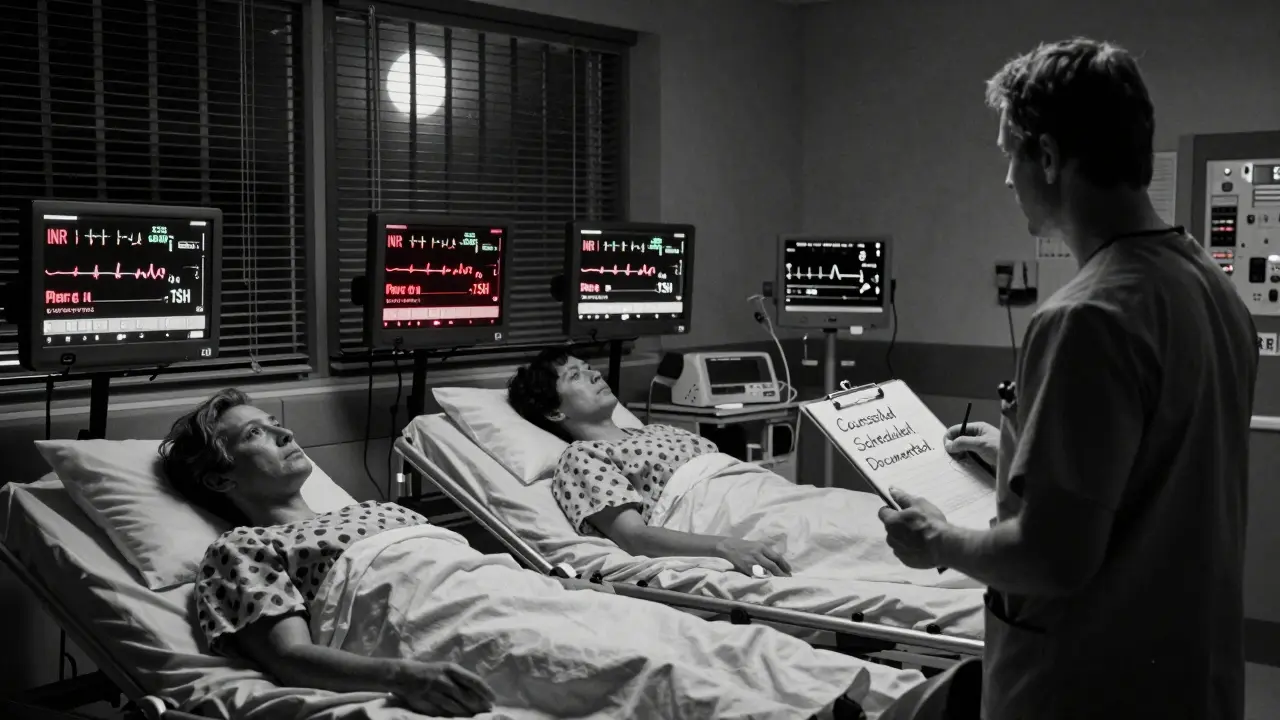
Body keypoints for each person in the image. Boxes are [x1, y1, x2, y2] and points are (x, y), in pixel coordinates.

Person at [876, 38, 1257, 720]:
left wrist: (937, 541)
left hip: (1089, 684)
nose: (1007, 179)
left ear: (1048, 157)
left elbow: (1053, 560)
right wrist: (1019, 453)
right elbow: (1159, 471)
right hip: (1189, 671)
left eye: (1010, 155)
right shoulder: (1208, 286)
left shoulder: (1087, 317)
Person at [161, 388, 904, 719]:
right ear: (220, 477)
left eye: (275, 423)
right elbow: (291, 659)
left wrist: (575, 590)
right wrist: (400, 675)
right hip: (446, 622)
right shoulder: (241, 550)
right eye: (256, 434)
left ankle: (890, 697)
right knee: (638, 669)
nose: (285, 433)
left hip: (516, 590)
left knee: (697, 637)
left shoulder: (374, 509)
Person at [507, 349, 978, 590]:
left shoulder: (655, 430)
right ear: (554, 412)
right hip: (726, 518)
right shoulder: (582, 459)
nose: (593, 373)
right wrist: (724, 546)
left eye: (587, 366)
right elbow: (635, 538)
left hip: (773, 496)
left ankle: (982, 550)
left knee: (870, 511)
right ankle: (983, 566)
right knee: (866, 535)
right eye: (575, 375)